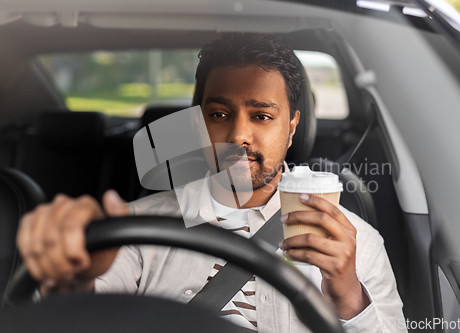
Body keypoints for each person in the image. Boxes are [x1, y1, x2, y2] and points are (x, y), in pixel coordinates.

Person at [16, 33, 406, 332]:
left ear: (291, 128)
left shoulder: (354, 243)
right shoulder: (133, 227)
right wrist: (75, 276)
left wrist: (348, 294)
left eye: (262, 116)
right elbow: (77, 318)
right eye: (219, 114)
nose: (238, 135)